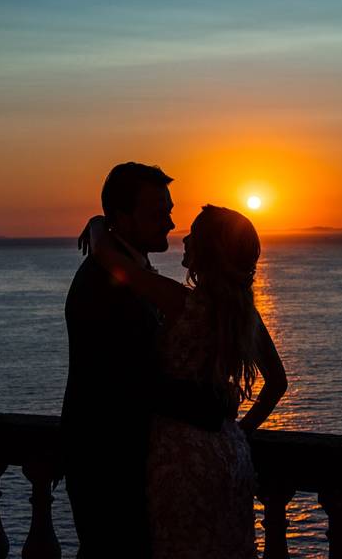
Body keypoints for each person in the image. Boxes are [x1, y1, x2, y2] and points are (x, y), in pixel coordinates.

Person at [81, 204, 288, 559]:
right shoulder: (240, 311)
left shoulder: (179, 301)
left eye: (193, 233)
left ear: (206, 249)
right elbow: (277, 383)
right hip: (229, 453)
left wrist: (98, 222)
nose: (184, 238)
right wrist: (241, 432)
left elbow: (107, 259)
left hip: (179, 453)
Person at [61, 163, 230, 559]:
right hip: (110, 464)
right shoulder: (105, 283)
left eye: (169, 210)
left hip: (123, 459)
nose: (171, 222)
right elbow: (130, 383)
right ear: (123, 217)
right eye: (158, 213)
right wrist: (212, 406)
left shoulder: (127, 267)